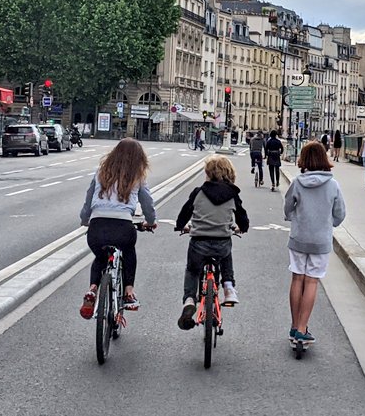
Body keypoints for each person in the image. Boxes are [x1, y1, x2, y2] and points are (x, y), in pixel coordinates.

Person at [78, 138, 157, 318]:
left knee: (100, 257)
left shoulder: (101, 172)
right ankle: (128, 292)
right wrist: (151, 221)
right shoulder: (137, 176)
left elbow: (88, 200)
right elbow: (147, 203)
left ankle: (92, 289)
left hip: (97, 227)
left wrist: (85, 220)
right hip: (123, 227)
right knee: (129, 252)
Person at [175, 156, 250, 329]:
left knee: (192, 270)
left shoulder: (198, 192)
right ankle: (229, 287)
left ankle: (189, 299)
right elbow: (242, 217)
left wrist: (180, 226)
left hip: (199, 242)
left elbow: (185, 212)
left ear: (208, 173)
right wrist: (242, 228)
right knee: (226, 255)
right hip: (222, 242)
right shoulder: (233, 194)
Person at [284, 141, 346, 344]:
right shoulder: (333, 184)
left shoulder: (297, 182)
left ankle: (294, 326)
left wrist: (293, 218)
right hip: (320, 240)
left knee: (297, 279)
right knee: (311, 281)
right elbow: (340, 213)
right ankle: (303, 329)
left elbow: (288, 206)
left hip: (299, 237)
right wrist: (329, 224)